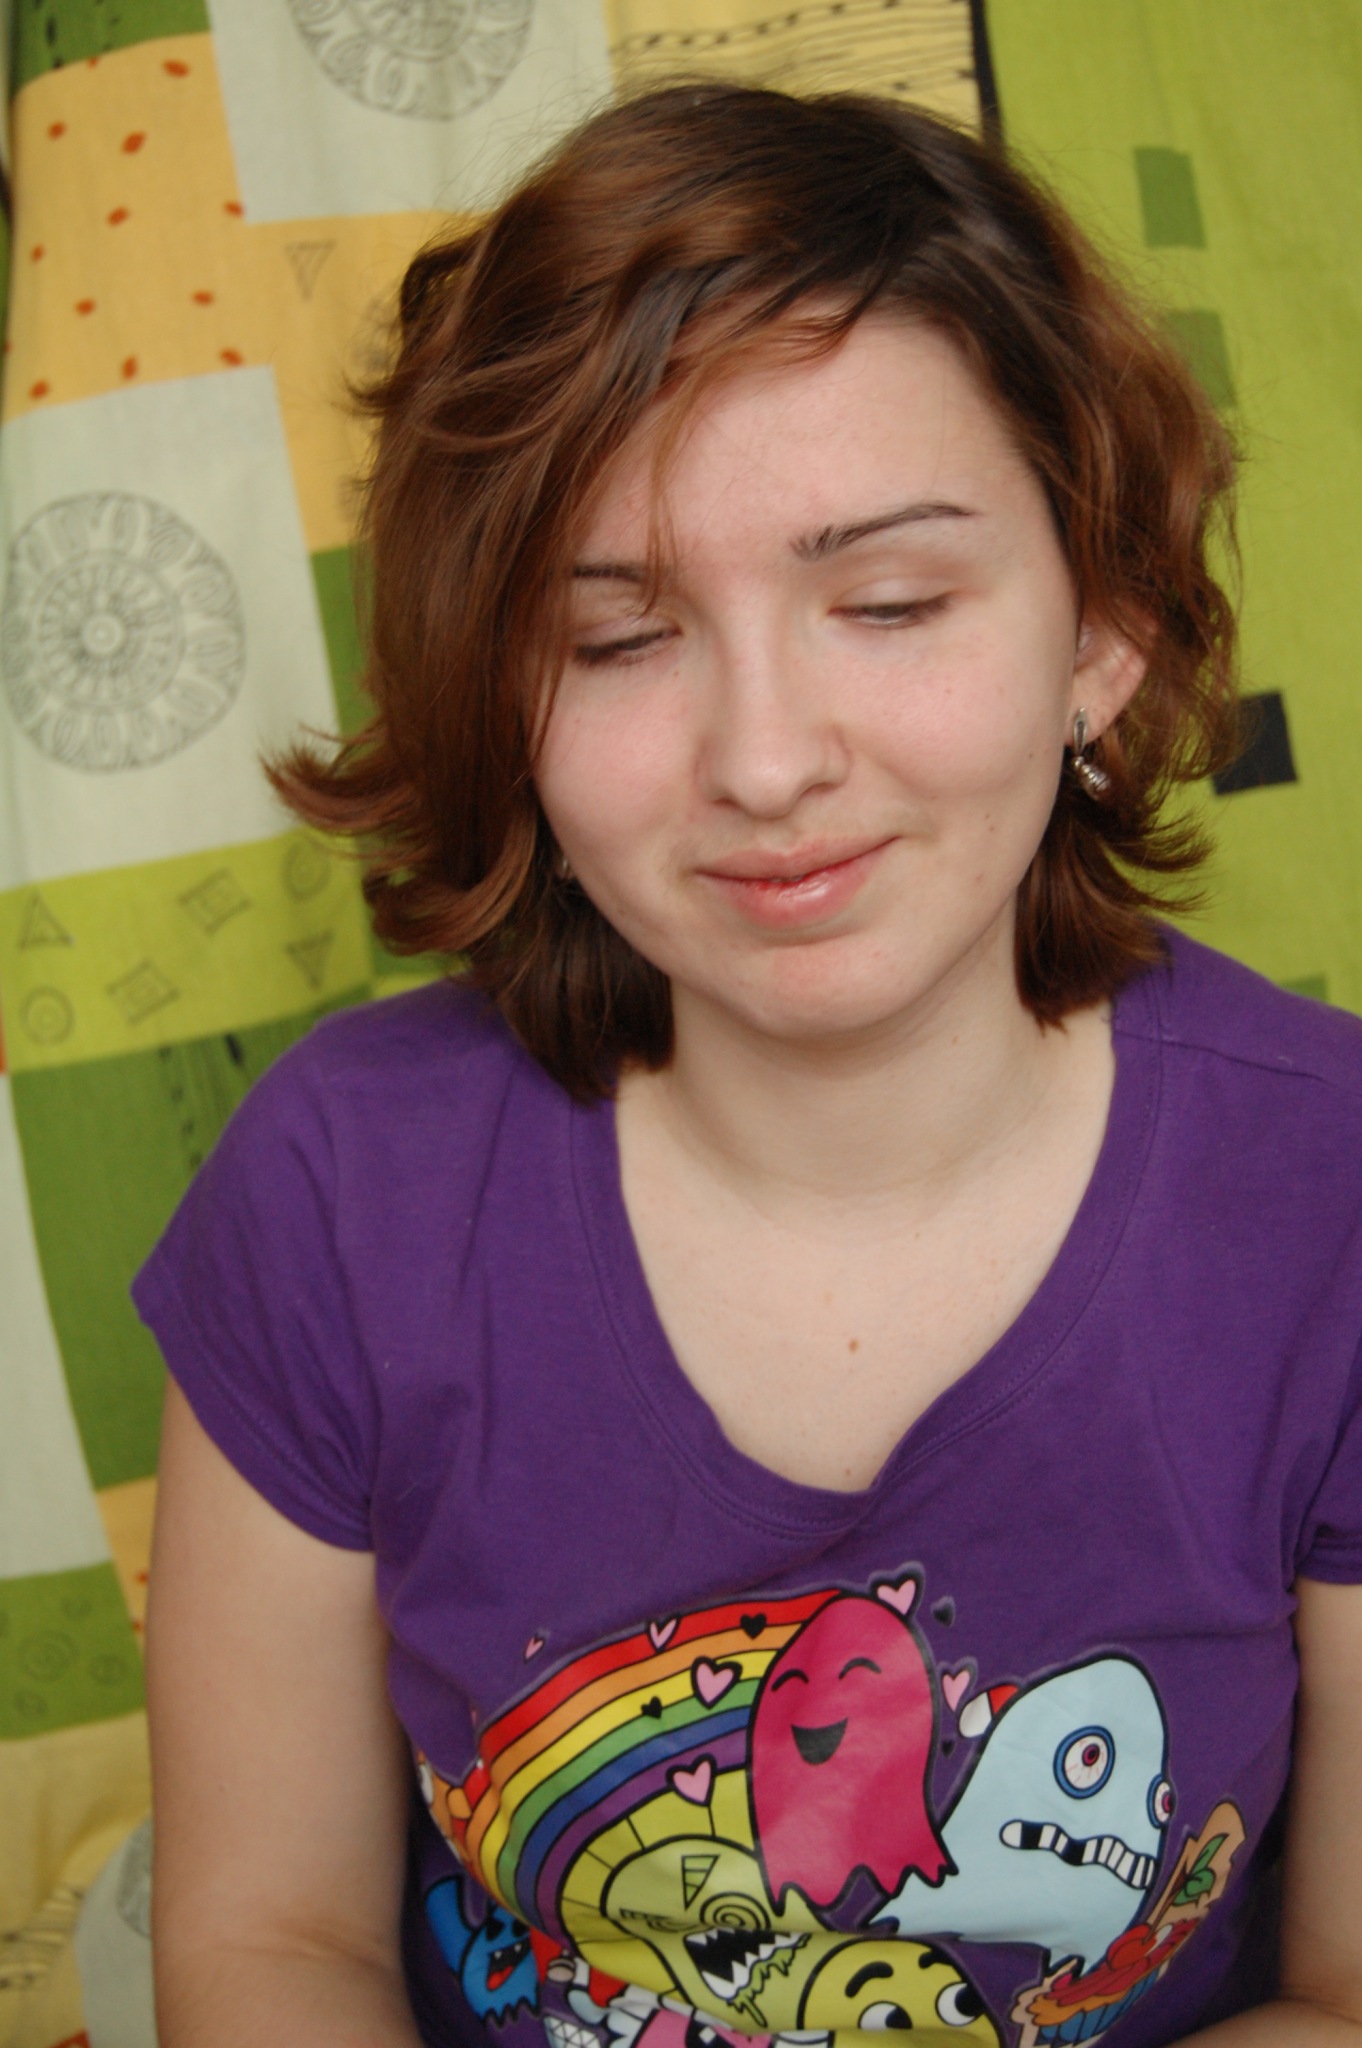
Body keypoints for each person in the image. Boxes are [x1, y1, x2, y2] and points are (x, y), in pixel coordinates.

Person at [136, 82, 1362, 2048]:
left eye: (888, 603)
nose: (767, 760)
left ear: (1102, 632)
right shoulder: (334, 1195)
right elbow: (271, 1940)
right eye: (619, 636)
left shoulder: (1332, 1193)